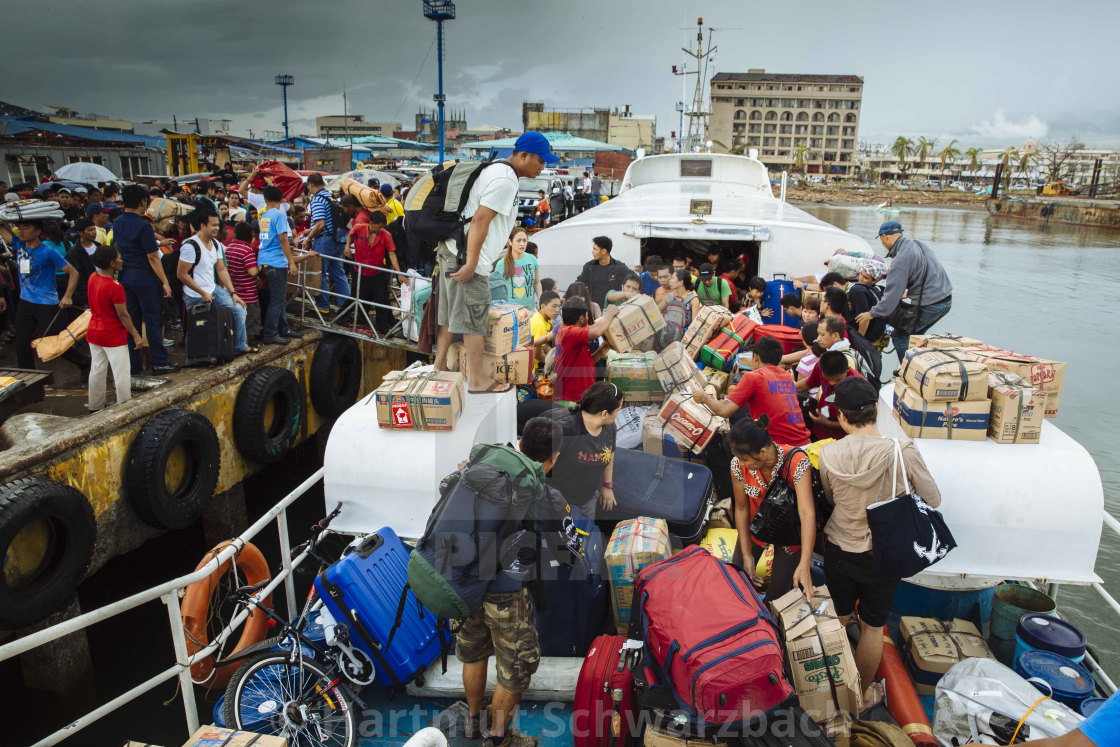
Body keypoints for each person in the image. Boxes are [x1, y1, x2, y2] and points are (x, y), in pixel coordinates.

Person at [820, 377, 941, 708]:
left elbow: (831, 498)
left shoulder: (829, 453)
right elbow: (933, 499)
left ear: (841, 416)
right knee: (873, 628)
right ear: (876, 410)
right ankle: (858, 696)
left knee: (838, 619)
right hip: (883, 555)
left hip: (840, 549)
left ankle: (824, 688)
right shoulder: (901, 452)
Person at [458, 416, 565, 747]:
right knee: (514, 671)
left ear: (519, 445)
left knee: (473, 653)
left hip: (463, 582)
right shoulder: (549, 496)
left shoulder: (480, 468)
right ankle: (499, 739)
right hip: (505, 594)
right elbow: (567, 555)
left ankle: (473, 723)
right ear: (554, 458)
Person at [434, 132, 559, 393]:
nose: (542, 166)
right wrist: (472, 263)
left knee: (449, 315)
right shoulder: (504, 180)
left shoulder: (496, 170)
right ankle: (478, 381)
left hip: (451, 251)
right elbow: (480, 220)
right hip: (468, 260)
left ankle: (438, 366)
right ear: (523, 155)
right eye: (539, 160)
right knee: (474, 319)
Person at [727, 416, 815, 599]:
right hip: (756, 527)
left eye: (745, 459)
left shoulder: (797, 462)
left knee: (778, 595)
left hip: (790, 534)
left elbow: (807, 514)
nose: (741, 464)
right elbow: (742, 508)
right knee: (737, 581)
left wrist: (805, 563)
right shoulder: (737, 466)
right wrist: (746, 554)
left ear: (763, 453)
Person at [1, 219, 90, 378]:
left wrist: (68, 296)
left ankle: (84, 362)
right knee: (22, 342)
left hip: (46, 304)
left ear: (37, 232)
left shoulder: (48, 251)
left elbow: (74, 272)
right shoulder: (20, 245)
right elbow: (2, 230)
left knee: (53, 342)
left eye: (25, 228)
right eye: (19, 228)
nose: (20, 231)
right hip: (25, 302)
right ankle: (28, 378)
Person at [855, 221, 952, 361]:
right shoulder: (918, 244)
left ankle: (909, 369)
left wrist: (871, 314)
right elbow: (926, 272)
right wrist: (910, 292)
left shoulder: (900, 260)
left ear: (884, 237)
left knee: (900, 336)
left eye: (881, 239)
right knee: (915, 337)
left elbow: (891, 297)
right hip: (946, 299)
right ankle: (920, 363)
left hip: (931, 305)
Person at [694, 337, 811, 446]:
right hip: (805, 443)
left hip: (779, 447)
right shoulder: (787, 376)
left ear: (756, 358)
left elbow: (724, 410)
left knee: (728, 443)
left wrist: (704, 397)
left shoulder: (754, 376)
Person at [114, 185, 177, 374]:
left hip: (126, 276)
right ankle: (159, 362)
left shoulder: (117, 223)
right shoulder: (143, 225)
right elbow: (153, 256)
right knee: (152, 321)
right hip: (145, 277)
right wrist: (165, 281)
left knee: (131, 322)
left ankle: (133, 364)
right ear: (142, 201)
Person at [177, 208, 253, 356]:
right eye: (213, 225)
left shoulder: (216, 244)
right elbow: (182, 274)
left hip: (213, 289)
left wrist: (233, 293)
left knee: (239, 309)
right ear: (202, 225)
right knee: (197, 326)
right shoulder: (190, 246)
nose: (217, 228)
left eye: (218, 225)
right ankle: (193, 357)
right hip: (194, 294)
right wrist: (202, 292)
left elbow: (221, 270)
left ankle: (240, 345)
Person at [546, 382, 623, 520]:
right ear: (604, 413)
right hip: (555, 502)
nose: (618, 415)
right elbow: (539, 462)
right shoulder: (564, 429)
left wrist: (607, 485)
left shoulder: (609, 429)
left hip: (586, 500)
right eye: (618, 410)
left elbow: (610, 453)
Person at [87, 245, 144, 411]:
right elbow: (123, 314)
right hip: (112, 335)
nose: (121, 260)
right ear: (112, 263)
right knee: (121, 374)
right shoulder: (115, 286)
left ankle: (94, 406)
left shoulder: (93, 277)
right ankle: (124, 406)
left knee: (97, 370)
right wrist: (135, 334)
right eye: (119, 257)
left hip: (94, 331)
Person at [257, 185, 307, 345]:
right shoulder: (279, 215)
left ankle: (284, 328)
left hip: (265, 260)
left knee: (277, 298)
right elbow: (283, 239)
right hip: (276, 262)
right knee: (278, 300)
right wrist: (291, 262)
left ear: (265, 199)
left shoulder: (264, 215)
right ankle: (271, 333)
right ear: (282, 199)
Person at [554, 298, 619, 405]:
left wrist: (600, 353)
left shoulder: (571, 334)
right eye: (587, 316)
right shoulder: (569, 332)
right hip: (571, 400)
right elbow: (596, 331)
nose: (588, 319)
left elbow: (581, 364)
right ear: (581, 318)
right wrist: (610, 313)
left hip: (579, 397)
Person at [301, 173, 349, 315]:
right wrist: (310, 231)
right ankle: (346, 305)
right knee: (338, 272)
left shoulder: (317, 199)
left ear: (310, 185)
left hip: (324, 240)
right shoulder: (330, 196)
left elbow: (320, 224)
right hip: (337, 240)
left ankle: (323, 305)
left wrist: (308, 238)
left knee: (320, 273)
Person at [796, 349, 862, 440]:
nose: (831, 383)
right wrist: (787, 386)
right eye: (827, 379)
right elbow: (807, 384)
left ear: (847, 369)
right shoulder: (820, 367)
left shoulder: (859, 386)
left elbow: (859, 423)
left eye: (838, 380)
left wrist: (828, 424)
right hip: (819, 429)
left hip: (842, 439)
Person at [353, 210, 401, 334]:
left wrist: (399, 273)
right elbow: (350, 234)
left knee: (382, 299)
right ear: (372, 223)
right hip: (361, 272)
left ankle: (383, 326)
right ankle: (360, 322)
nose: (381, 229)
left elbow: (391, 253)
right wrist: (347, 247)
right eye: (379, 227)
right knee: (360, 298)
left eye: (383, 227)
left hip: (376, 272)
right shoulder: (359, 228)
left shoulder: (386, 235)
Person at [224, 222, 262, 342]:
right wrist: (260, 267)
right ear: (251, 234)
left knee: (236, 325)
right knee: (249, 327)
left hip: (233, 294)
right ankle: (245, 347)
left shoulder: (228, 248)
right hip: (248, 296)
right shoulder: (247, 250)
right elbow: (252, 272)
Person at [494, 226, 540, 310]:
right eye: (518, 241)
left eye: (524, 240)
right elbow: (498, 291)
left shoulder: (532, 259)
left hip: (531, 310)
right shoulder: (501, 264)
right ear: (510, 242)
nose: (522, 244)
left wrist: (541, 300)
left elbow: (536, 283)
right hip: (511, 312)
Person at [576, 236, 628, 309]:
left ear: (604, 251)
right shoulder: (589, 267)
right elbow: (579, 284)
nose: (592, 251)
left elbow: (632, 279)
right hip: (594, 308)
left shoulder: (619, 266)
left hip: (613, 309)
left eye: (595, 249)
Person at [848, 259, 887, 343]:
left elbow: (863, 318)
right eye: (861, 274)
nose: (861, 278)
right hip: (878, 332)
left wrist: (859, 340)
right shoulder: (877, 289)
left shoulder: (858, 291)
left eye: (866, 278)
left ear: (874, 281)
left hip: (867, 335)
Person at [530, 290, 562, 370]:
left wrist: (556, 357)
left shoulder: (546, 320)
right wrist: (556, 364)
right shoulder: (539, 323)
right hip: (533, 371)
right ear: (543, 306)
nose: (557, 310)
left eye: (559, 306)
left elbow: (544, 346)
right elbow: (537, 355)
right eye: (554, 306)